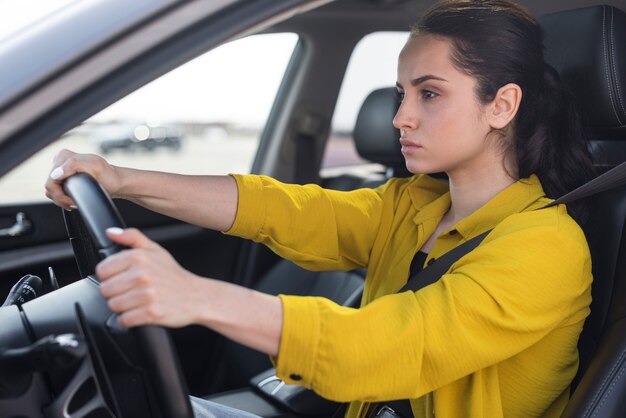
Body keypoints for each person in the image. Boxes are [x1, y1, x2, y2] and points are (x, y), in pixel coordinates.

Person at [45, 0, 596, 417]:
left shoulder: (545, 247)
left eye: (428, 93)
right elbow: (282, 210)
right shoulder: (415, 204)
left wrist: (194, 295)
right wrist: (122, 179)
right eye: (400, 92)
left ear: (501, 105)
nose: (400, 116)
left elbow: (383, 348)